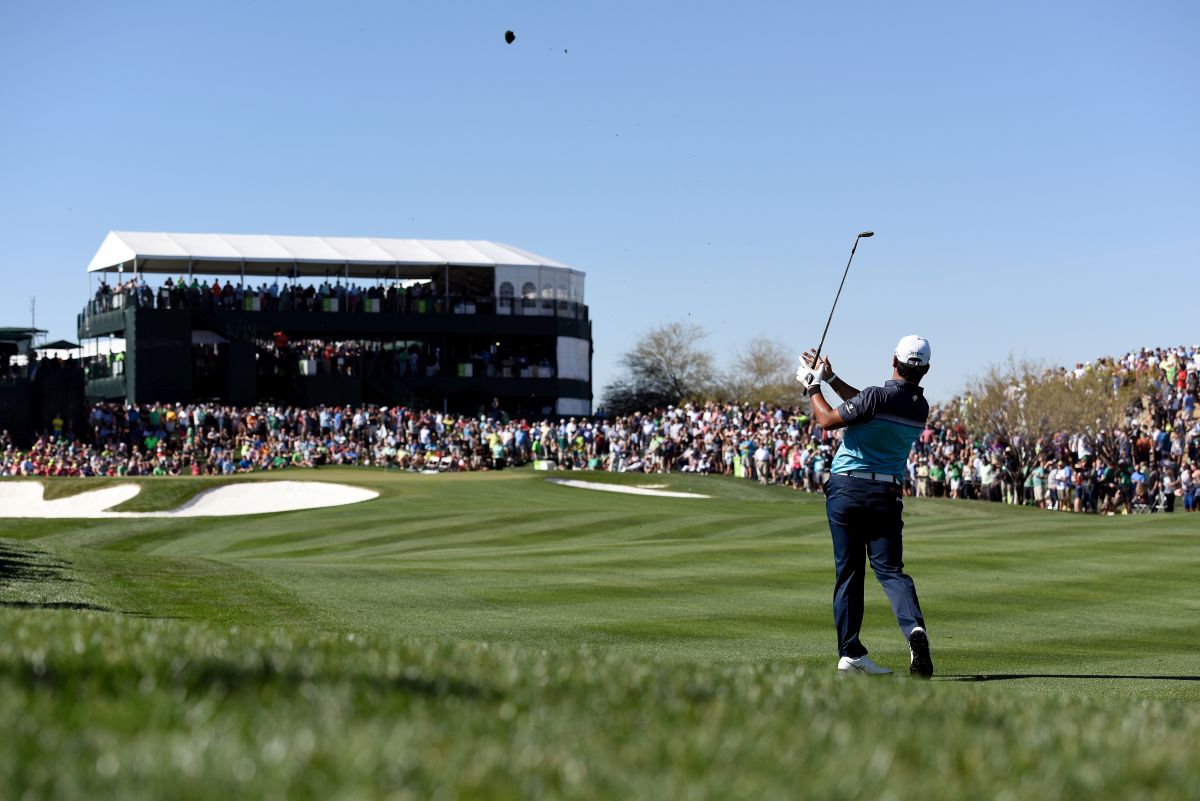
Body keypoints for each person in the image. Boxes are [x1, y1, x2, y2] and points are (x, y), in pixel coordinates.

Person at [797, 335, 935, 679]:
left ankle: (850, 651)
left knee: (849, 572)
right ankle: (914, 631)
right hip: (885, 494)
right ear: (926, 370)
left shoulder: (876, 396)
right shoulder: (920, 407)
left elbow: (828, 420)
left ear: (893, 360)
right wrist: (830, 379)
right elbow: (867, 406)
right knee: (890, 571)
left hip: (847, 489)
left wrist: (812, 387)